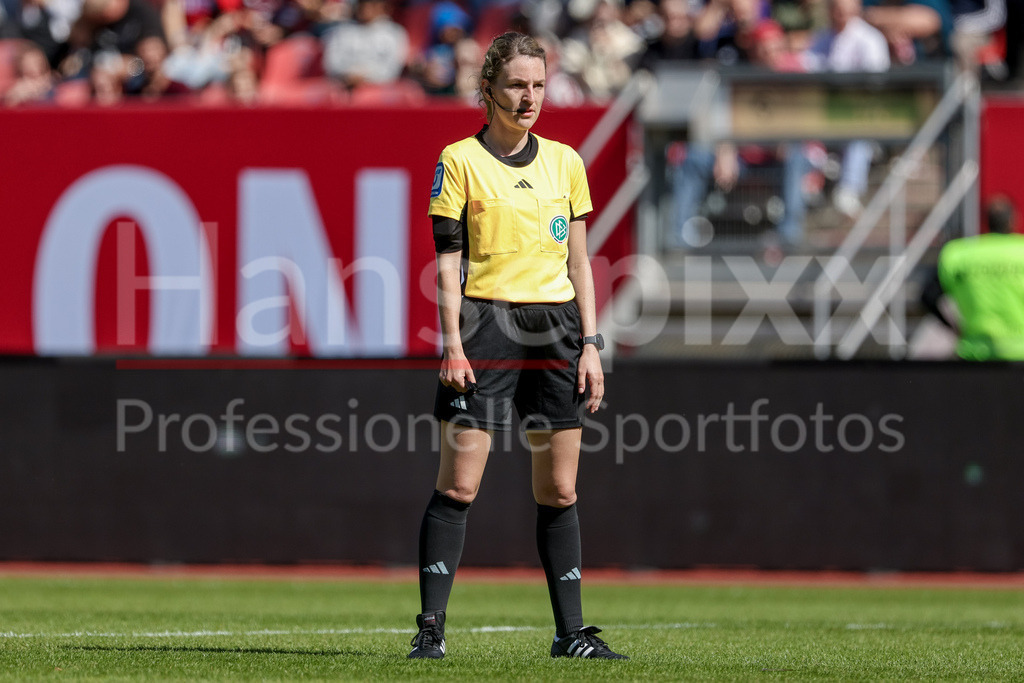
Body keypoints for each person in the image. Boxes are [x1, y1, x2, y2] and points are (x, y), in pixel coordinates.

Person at [409, 31, 627, 661]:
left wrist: (590, 343)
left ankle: (571, 634)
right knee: (459, 485)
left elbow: (580, 262)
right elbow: (448, 263)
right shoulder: (459, 161)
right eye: (516, 85)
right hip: (485, 328)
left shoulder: (566, 162)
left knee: (559, 489)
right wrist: (451, 343)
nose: (530, 97)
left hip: (557, 329)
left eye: (538, 85)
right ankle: (431, 629)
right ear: (489, 89)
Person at [920, 196, 1024, 361]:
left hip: (975, 354)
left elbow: (927, 296)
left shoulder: (959, 255)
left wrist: (953, 327)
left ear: (987, 222)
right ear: (1013, 221)